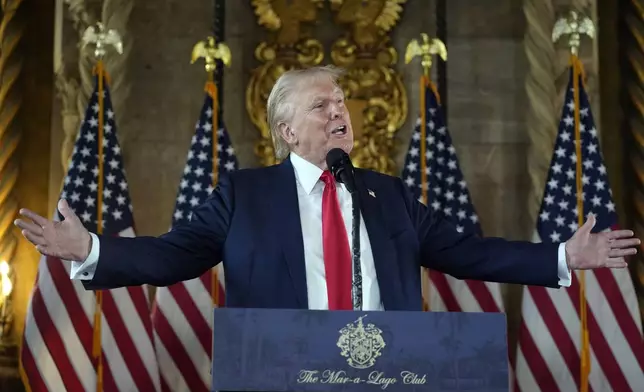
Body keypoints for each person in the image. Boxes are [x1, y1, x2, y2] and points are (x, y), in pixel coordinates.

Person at [15, 65, 639, 311]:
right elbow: (174, 253)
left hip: (387, 373)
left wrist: (562, 256)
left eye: (344, 102)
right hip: (280, 372)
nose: (341, 112)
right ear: (286, 130)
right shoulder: (245, 194)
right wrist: (92, 249)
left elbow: (468, 251)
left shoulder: (388, 196)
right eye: (323, 105)